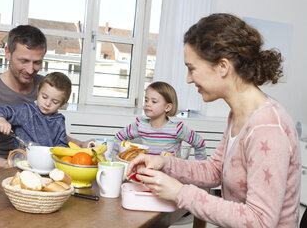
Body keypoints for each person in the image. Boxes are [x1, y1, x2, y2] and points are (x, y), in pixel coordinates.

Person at [127, 13, 301, 227]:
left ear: (222, 67)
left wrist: (180, 192)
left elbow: (260, 222)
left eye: (191, 68)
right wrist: (164, 162)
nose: (188, 79)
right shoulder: (239, 114)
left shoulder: (268, 128)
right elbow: (215, 171)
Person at [0, 25, 89, 173]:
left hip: (38, 171)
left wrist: (80, 145)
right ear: (8, 53)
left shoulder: (46, 87)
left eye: (37, 62)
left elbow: (48, 129)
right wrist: (13, 164)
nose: (31, 70)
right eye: (24, 61)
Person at [114, 81, 207, 160]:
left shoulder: (177, 129)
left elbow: (199, 142)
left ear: (167, 107)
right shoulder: (140, 125)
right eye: (146, 100)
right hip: (147, 172)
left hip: (169, 176)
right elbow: (118, 138)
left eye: (154, 101)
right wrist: (114, 157)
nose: (147, 104)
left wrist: (200, 166)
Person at [0, 72, 72, 149]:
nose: (47, 104)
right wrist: (1, 119)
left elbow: (63, 145)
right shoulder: (26, 110)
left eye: (55, 102)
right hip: (21, 160)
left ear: (62, 104)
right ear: (38, 90)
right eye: (44, 97)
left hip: (46, 162)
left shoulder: (59, 121)